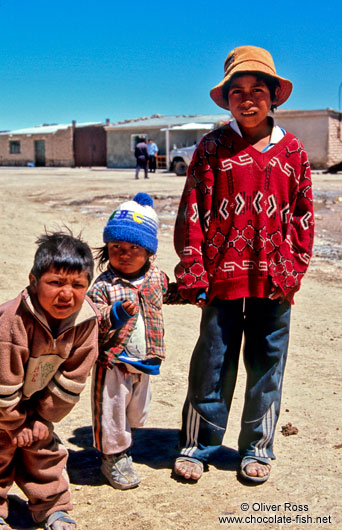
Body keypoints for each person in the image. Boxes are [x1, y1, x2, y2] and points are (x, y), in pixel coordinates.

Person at [173, 45, 314, 484]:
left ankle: (257, 447)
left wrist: (290, 272)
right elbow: (192, 210)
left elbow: (303, 218)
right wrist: (193, 271)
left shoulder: (293, 153)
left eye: (257, 90)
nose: (248, 98)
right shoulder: (212, 147)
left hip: (275, 280)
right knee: (212, 362)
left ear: (274, 96)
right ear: (227, 98)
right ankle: (199, 445)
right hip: (220, 279)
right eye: (238, 91)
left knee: (267, 364)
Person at [0, 230, 99, 530]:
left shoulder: (85, 322)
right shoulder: (12, 320)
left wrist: (42, 419)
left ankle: (52, 506)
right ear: (33, 281)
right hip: (4, 399)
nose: (66, 294)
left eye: (78, 285)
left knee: (44, 449)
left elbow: (72, 379)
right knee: (2, 446)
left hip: (33, 400)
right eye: (55, 282)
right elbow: (4, 380)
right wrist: (17, 424)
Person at [88, 192, 186, 490]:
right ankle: (113, 457)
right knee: (111, 411)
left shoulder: (156, 277)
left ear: (149, 252)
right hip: (114, 361)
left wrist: (193, 294)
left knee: (135, 410)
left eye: (134, 247)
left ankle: (124, 444)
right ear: (106, 248)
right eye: (116, 246)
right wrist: (113, 313)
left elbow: (168, 295)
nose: (125, 253)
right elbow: (92, 315)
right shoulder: (104, 285)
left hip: (146, 358)